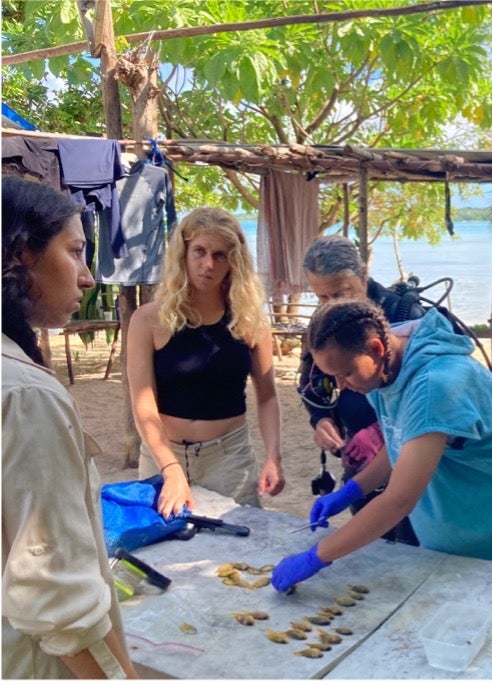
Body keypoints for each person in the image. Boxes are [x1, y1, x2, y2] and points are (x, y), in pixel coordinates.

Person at [271, 299, 492, 591]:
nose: (342, 385)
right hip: (476, 500)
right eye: (332, 377)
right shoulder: (386, 360)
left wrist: (317, 557)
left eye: (346, 373)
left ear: (377, 348)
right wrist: (353, 489)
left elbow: (398, 501)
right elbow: (400, 440)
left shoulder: (434, 386)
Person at [2, 175, 139, 678]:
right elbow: (52, 592)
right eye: (76, 252)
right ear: (22, 254)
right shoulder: (26, 394)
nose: (87, 276)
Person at [127, 207, 285, 518]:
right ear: (183, 253)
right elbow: (143, 404)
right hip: (162, 455)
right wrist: (170, 467)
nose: (208, 264)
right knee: (162, 549)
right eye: (199, 251)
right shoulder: (149, 320)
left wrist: (273, 457)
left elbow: (266, 396)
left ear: (234, 261)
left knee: (238, 553)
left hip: (229, 457)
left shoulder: (249, 320)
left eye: (220, 255)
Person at [299, 234, 426, 545]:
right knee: (376, 555)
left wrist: (383, 431)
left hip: (413, 460)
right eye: (321, 298)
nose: (332, 305)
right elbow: (314, 381)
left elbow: (433, 403)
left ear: (363, 275)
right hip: (359, 462)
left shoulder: (405, 317)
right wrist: (322, 419)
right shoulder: (324, 323)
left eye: (341, 293)